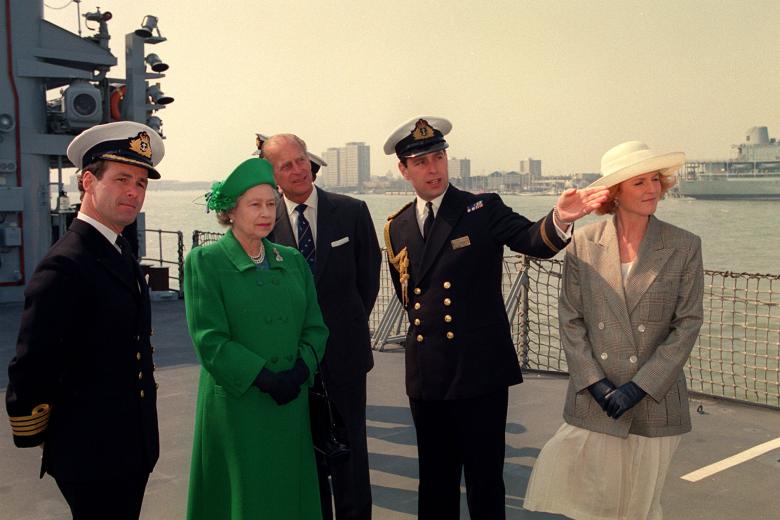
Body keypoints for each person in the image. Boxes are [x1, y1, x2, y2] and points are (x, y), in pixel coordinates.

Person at [382, 116, 609, 519]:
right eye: (420, 162)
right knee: (435, 480)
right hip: (427, 373)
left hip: (478, 371)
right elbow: (410, 297)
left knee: (485, 480)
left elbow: (532, 240)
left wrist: (561, 218)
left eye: (438, 157)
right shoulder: (397, 226)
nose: (433, 169)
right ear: (403, 169)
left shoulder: (481, 209)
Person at [524, 141, 705, 519]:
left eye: (655, 179)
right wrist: (596, 384)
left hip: (655, 401)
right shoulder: (583, 244)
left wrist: (639, 387)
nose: (652, 189)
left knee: (640, 507)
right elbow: (571, 320)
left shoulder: (684, 245)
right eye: (639, 182)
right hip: (597, 399)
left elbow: (687, 325)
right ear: (616, 193)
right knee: (591, 502)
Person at [5, 121, 164, 519]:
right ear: (87, 181)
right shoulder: (66, 264)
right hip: (93, 453)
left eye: (142, 183)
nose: (134, 191)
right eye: (122, 178)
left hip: (130, 446)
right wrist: (49, 434)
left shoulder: (118, 251)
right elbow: (32, 365)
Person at [184, 158, 328, 520]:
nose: (266, 213)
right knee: (244, 498)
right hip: (238, 405)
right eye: (255, 205)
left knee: (287, 493)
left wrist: (299, 371)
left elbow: (315, 327)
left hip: (289, 404)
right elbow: (209, 339)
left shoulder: (293, 261)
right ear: (230, 211)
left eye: (270, 204)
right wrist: (262, 377)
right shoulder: (206, 262)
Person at [263, 133, 381, 520]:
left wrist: (341, 330)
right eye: (286, 166)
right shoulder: (264, 223)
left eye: (301, 160)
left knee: (352, 457)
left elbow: (369, 280)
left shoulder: (351, 211)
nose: (298, 170)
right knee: (304, 461)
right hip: (292, 362)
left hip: (344, 358)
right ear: (272, 174)